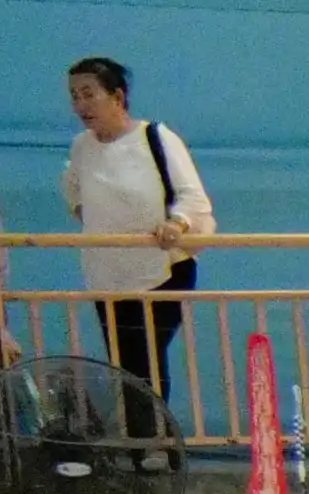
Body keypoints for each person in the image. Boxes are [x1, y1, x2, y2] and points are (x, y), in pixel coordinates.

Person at [55, 65, 201, 426]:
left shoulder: (157, 137)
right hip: (107, 275)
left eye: (89, 94)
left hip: (163, 270)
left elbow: (192, 196)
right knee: (126, 363)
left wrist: (176, 222)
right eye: (74, 96)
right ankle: (147, 448)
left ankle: (156, 444)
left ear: (118, 96)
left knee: (145, 358)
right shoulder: (81, 147)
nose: (80, 104)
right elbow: (73, 191)